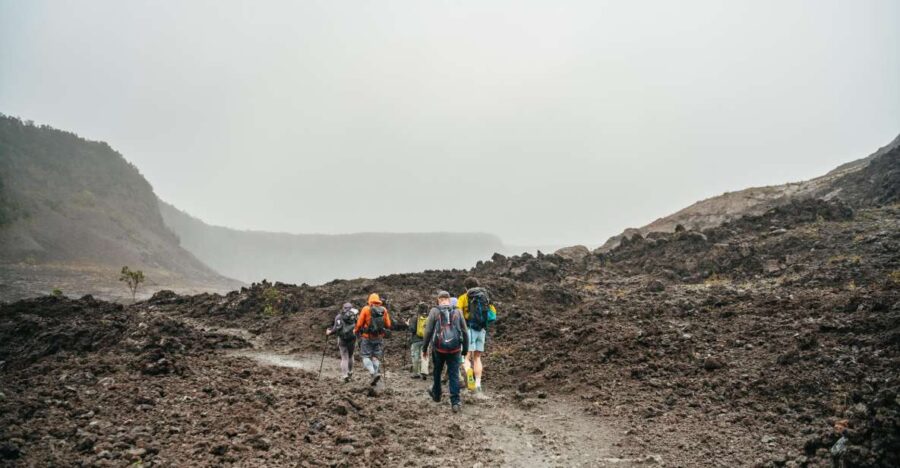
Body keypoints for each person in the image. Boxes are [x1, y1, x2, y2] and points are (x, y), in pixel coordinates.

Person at [421, 290, 469, 413]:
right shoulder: (457, 311)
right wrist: (465, 349)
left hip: (439, 348)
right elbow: (464, 331)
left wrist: (425, 348)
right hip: (455, 349)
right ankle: (455, 402)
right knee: (453, 374)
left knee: (437, 371)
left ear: (439, 300)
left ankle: (437, 395)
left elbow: (428, 331)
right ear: (448, 299)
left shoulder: (434, 311)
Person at [457, 277, 496, 394]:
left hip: (468, 329)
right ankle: (478, 384)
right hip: (482, 330)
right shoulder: (485, 297)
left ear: (466, 287)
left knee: (466, 356)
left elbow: (458, 314)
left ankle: (469, 372)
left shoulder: (464, 297)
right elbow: (493, 314)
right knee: (477, 357)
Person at [354, 293, 392, 386]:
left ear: (369, 300)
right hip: (379, 337)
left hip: (367, 337)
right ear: (378, 300)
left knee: (365, 356)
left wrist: (356, 330)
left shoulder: (366, 309)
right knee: (375, 356)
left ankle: (372, 372)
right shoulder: (384, 309)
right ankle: (376, 373)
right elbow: (388, 325)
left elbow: (359, 323)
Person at [325, 302, 358, 382]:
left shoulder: (339, 317)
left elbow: (335, 329)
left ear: (343, 308)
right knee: (350, 356)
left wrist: (329, 332)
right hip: (352, 339)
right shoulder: (355, 316)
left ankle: (345, 375)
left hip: (342, 339)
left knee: (344, 357)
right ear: (351, 308)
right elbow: (359, 326)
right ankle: (350, 372)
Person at [406, 302, 430, 379]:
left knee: (415, 356)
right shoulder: (429, 318)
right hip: (426, 340)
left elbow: (412, 329)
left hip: (415, 340)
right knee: (424, 355)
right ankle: (424, 372)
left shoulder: (414, 317)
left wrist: (408, 324)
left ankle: (416, 373)